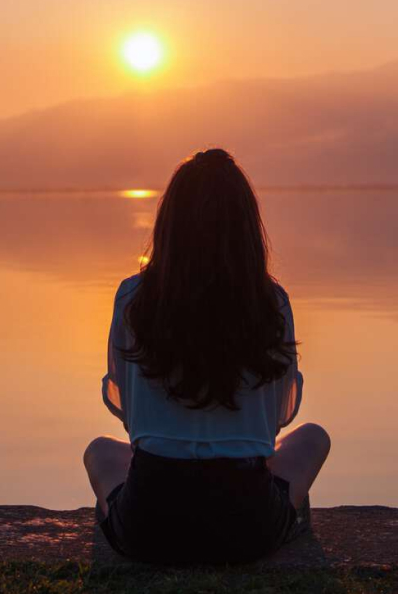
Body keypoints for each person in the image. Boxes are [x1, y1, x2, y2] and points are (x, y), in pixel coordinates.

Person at [83, 148, 330, 565]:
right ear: (247, 229)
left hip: (150, 526)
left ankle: (124, 514)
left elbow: (128, 417)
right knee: (313, 438)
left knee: (99, 452)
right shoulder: (271, 304)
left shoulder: (133, 299)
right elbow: (279, 421)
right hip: (246, 529)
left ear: (169, 226)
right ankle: (287, 515)